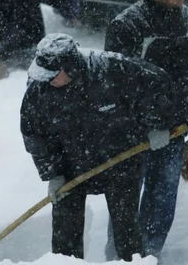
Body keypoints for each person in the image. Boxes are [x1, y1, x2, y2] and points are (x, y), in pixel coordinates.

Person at [20, 33, 178, 261]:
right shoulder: (39, 89)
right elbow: (34, 135)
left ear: (70, 67)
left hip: (121, 159)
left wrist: (158, 124)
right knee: (65, 234)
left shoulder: (110, 68)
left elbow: (156, 83)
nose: (48, 79)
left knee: (126, 232)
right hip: (70, 168)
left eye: (53, 74)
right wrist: (53, 173)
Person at [103, 0, 188, 260]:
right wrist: (146, 126)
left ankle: (150, 254)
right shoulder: (127, 25)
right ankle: (119, 258)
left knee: (162, 199)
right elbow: (117, 85)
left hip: (176, 130)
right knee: (126, 200)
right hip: (133, 133)